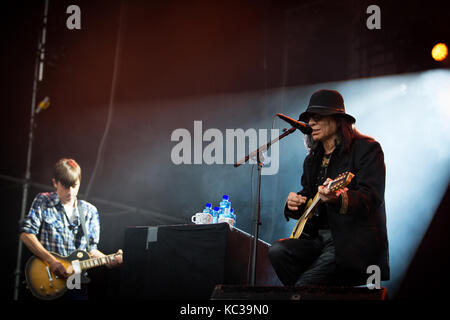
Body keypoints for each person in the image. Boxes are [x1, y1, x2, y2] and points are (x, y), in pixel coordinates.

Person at [268, 89, 389, 287]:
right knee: (278, 251)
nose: (311, 123)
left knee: (303, 288)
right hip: (317, 240)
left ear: (337, 120)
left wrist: (338, 198)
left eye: (317, 117)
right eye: (309, 119)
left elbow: (372, 197)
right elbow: (308, 196)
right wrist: (295, 203)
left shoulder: (367, 148)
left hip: (349, 241)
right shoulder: (312, 160)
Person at [19, 158, 123, 299]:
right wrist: (51, 261)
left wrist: (108, 260)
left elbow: (91, 250)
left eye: (74, 186)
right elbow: (26, 234)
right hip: (48, 279)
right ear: (55, 183)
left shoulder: (89, 211)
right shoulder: (43, 201)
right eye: (65, 186)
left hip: (76, 284)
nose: (70, 191)